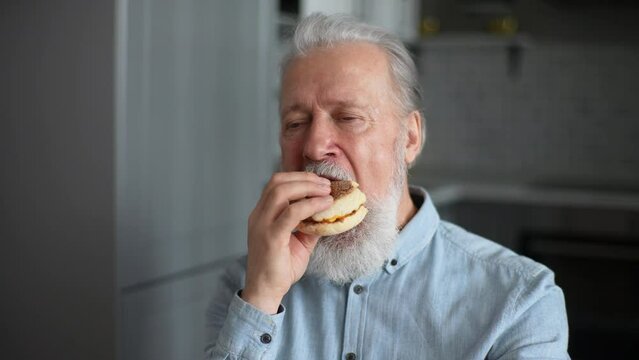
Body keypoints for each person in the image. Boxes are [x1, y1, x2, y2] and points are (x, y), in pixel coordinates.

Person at [205, 13, 569, 360]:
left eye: (348, 117)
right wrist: (261, 298)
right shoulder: (246, 285)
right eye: (295, 123)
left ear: (410, 138)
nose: (314, 147)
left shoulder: (520, 300)